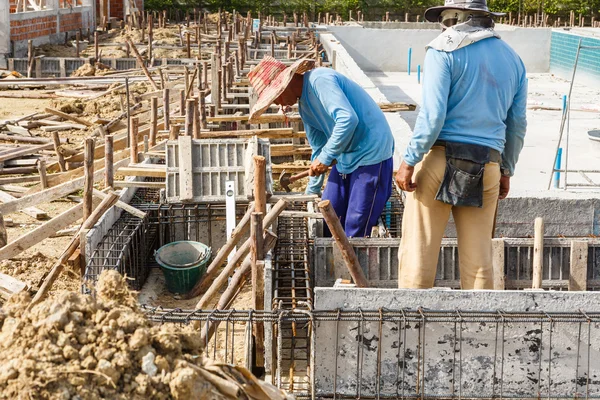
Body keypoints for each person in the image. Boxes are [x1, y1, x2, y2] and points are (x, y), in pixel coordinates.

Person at [395, 0, 527, 289]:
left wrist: (408, 161)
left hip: (440, 160)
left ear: (456, 17)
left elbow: (432, 116)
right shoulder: (513, 59)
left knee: (419, 252)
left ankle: (409, 328)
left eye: (446, 18)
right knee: (479, 261)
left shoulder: (443, 49)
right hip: (488, 164)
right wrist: (506, 169)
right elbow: (517, 125)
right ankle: (480, 330)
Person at [248, 56, 395, 237]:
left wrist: (325, 158)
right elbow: (318, 149)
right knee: (327, 217)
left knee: (355, 225)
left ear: (287, 82)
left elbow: (347, 120)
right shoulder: (304, 107)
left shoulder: (319, 80)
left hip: (371, 153)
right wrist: (311, 192)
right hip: (346, 158)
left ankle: (351, 263)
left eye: (275, 97)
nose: (277, 104)